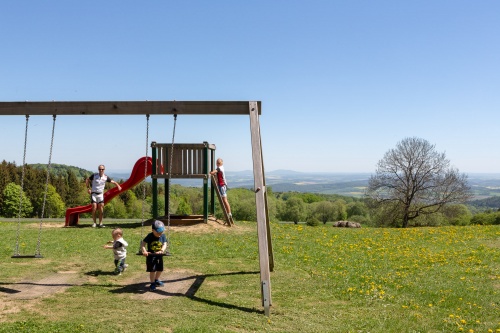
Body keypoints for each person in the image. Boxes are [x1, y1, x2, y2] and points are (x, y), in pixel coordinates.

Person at [140, 220, 168, 291]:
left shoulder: (163, 236)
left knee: (160, 269)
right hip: (151, 256)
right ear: (153, 230)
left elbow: (165, 244)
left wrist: (162, 250)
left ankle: (156, 280)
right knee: (152, 270)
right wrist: (144, 251)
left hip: (159, 256)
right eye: (158, 232)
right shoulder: (150, 236)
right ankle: (152, 283)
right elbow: (143, 243)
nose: (160, 233)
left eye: (161, 232)